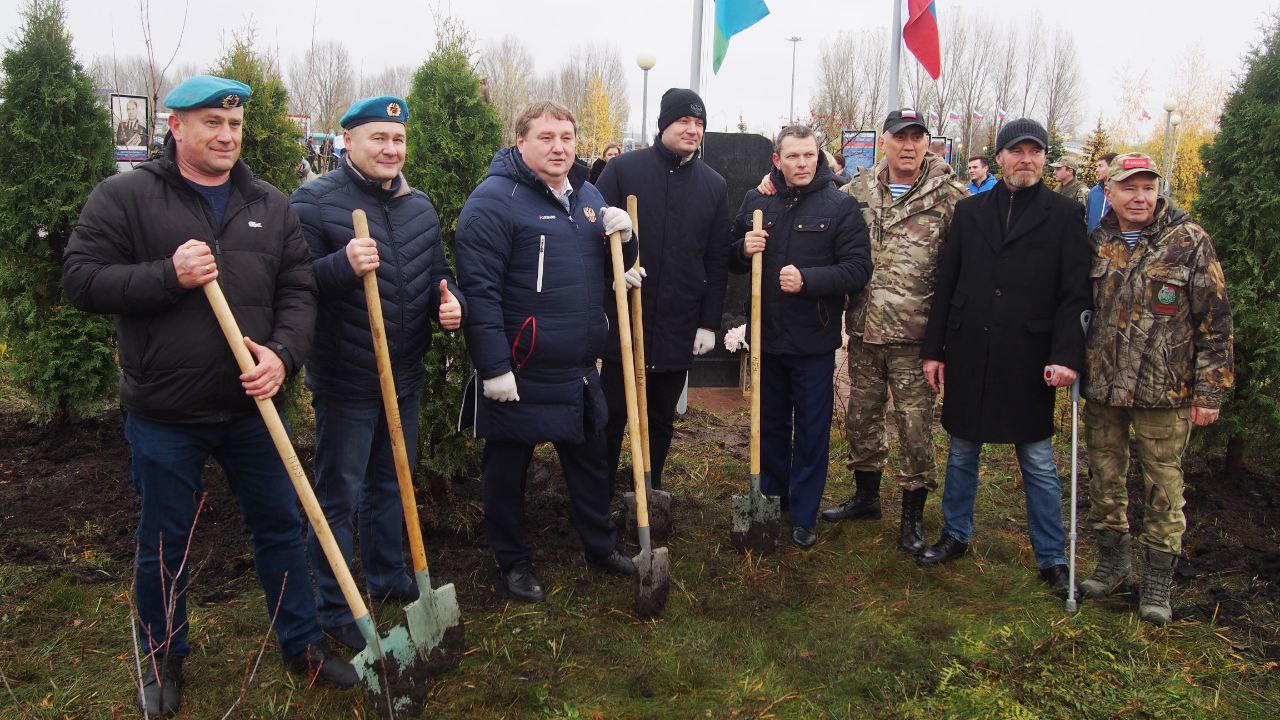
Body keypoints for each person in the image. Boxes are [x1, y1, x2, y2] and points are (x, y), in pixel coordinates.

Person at [62, 75, 354, 718]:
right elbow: (81, 280)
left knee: (281, 525)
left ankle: (301, 643)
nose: (227, 136)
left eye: (235, 125)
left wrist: (283, 355)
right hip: (167, 410)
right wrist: (168, 275)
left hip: (256, 408)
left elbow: (299, 290)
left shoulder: (270, 204)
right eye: (212, 124)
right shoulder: (126, 197)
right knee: (166, 538)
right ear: (176, 128)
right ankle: (165, 655)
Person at [289, 96, 465, 651]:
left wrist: (450, 302)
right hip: (345, 379)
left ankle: (389, 579)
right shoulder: (314, 203)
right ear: (348, 141)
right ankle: (336, 603)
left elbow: (439, 273)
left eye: (398, 140)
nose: (392, 150)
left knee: (394, 483)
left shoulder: (421, 206)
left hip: (404, 373)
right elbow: (294, 285)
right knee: (339, 493)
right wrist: (341, 265)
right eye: (379, 139)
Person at [455, 101, 636, 603]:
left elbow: (608, 261)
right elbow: (480, 292)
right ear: (521, 143)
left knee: (590, 463)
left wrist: (627, 240)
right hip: (521, 370)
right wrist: (494, 367)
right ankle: (513, 563)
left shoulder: (588, 195)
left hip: (576, 369)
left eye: (568, 137)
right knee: (506, 474)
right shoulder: (493, 202)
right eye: (547, 137)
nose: (559, 147)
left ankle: (601, 548)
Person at [778, 109, 966, 556]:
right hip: (862, 329)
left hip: (917, 337)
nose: (908, 145)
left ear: (928, 144)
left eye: (917, 138)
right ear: (884, 142)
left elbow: (960, 269)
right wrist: (771, 180)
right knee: (861, 418)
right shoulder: (857, 191)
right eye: (900, 137)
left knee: (914, 426)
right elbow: (808, 194)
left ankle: (912, 515)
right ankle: (866, 497)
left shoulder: (951, 198)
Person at [917, 118, 1092, 596]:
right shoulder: (970, 212)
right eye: (1017, 151)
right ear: (1000, 157)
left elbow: (1075, 294)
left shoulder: (1063, 214)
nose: (1026, 160)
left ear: (1044, 159)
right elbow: (947, 281)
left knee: (1036, 458)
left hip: (1029, 355)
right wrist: (935, 349)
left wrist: (1066, 356)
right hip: (972, 346)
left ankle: (1052, 556)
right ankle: (955, 533)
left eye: (1036, 152)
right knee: (961, 450)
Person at [1079, 152, 1233, 624]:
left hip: (1165, 393)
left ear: (1157, 191)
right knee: (1104, 481)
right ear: (1112, 193)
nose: (1139, 196)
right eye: (1129, 187)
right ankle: (1113, 563)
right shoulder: (1096, 242)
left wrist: (1210, 393)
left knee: (1163, 488)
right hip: (1104, 390)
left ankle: (1157, 582)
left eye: (1148, 187)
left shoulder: (1188, 241)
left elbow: (1216, 323)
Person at [731, 126, 871, 548]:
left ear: (818, 156)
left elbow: (858, 268)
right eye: (793, 156)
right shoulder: (758, 202)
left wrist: (808, 280)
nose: (803, 163)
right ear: (778, 160)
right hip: (768, 339)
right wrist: (743, 248)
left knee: (811, 430)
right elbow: (728, 254)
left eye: (809, 155)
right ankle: (773, 498)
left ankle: (805, 513)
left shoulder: (840, 206)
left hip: (813, 340)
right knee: (770, 424)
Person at [594, 88, 732, 494]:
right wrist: (614, 272)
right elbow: (589, 230)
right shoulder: (623, 171)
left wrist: (708, 323)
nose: (692, 130)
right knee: (611, 416)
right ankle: (598, 495)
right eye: (684, 122)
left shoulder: (714, 185)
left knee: (659, 419)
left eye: (699, 124)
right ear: (663, 125)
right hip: (626, 318)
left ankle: (648, 493)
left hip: (677, 324)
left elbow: (716, 260)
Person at [1085, 152, 1117, 232]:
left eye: (1100, 166)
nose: (1096, 170)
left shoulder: (1122, 192)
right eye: (1097, 166)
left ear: (1112, 167)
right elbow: (1088, 219)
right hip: (1092, 242)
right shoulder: (1093, 192)